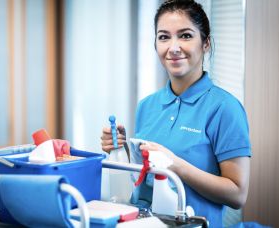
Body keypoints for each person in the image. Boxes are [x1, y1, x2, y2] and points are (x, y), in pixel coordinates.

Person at [101, 0, 251, 227]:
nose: (173, 47)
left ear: (206, 43)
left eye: (186, 36)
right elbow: (147, 178)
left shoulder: (224, 108)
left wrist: (175, 165)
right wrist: (121, 151)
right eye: (163, 37)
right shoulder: (147, 105)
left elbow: (237, 194)